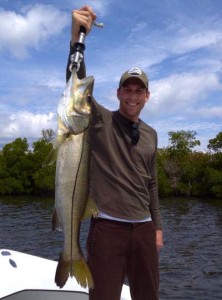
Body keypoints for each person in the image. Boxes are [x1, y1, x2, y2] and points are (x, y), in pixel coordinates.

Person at [66, 5, 163, 300]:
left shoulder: (151, 134)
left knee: (148, 296)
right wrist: (77, 39)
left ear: (146, 96)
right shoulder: (100, 120)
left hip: (145, 231)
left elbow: (152, 184)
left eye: (138, 91)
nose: (132, 97)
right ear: (118, 93)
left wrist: (157, 227)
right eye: (127, 90)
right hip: (107, 229)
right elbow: (77, 86)